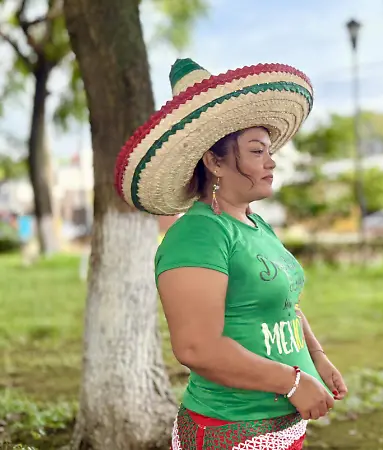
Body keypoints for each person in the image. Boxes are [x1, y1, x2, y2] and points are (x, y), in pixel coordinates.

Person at [115, 58, 347, 450]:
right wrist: (292, 382)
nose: (271, 161)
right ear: (214, 162)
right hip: (230, 430)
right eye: (257, 152)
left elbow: (285, 302)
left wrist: (316, 356)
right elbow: (196, 347)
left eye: (269, 150)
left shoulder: (258, 226)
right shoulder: (199, 233)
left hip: (282, 424)